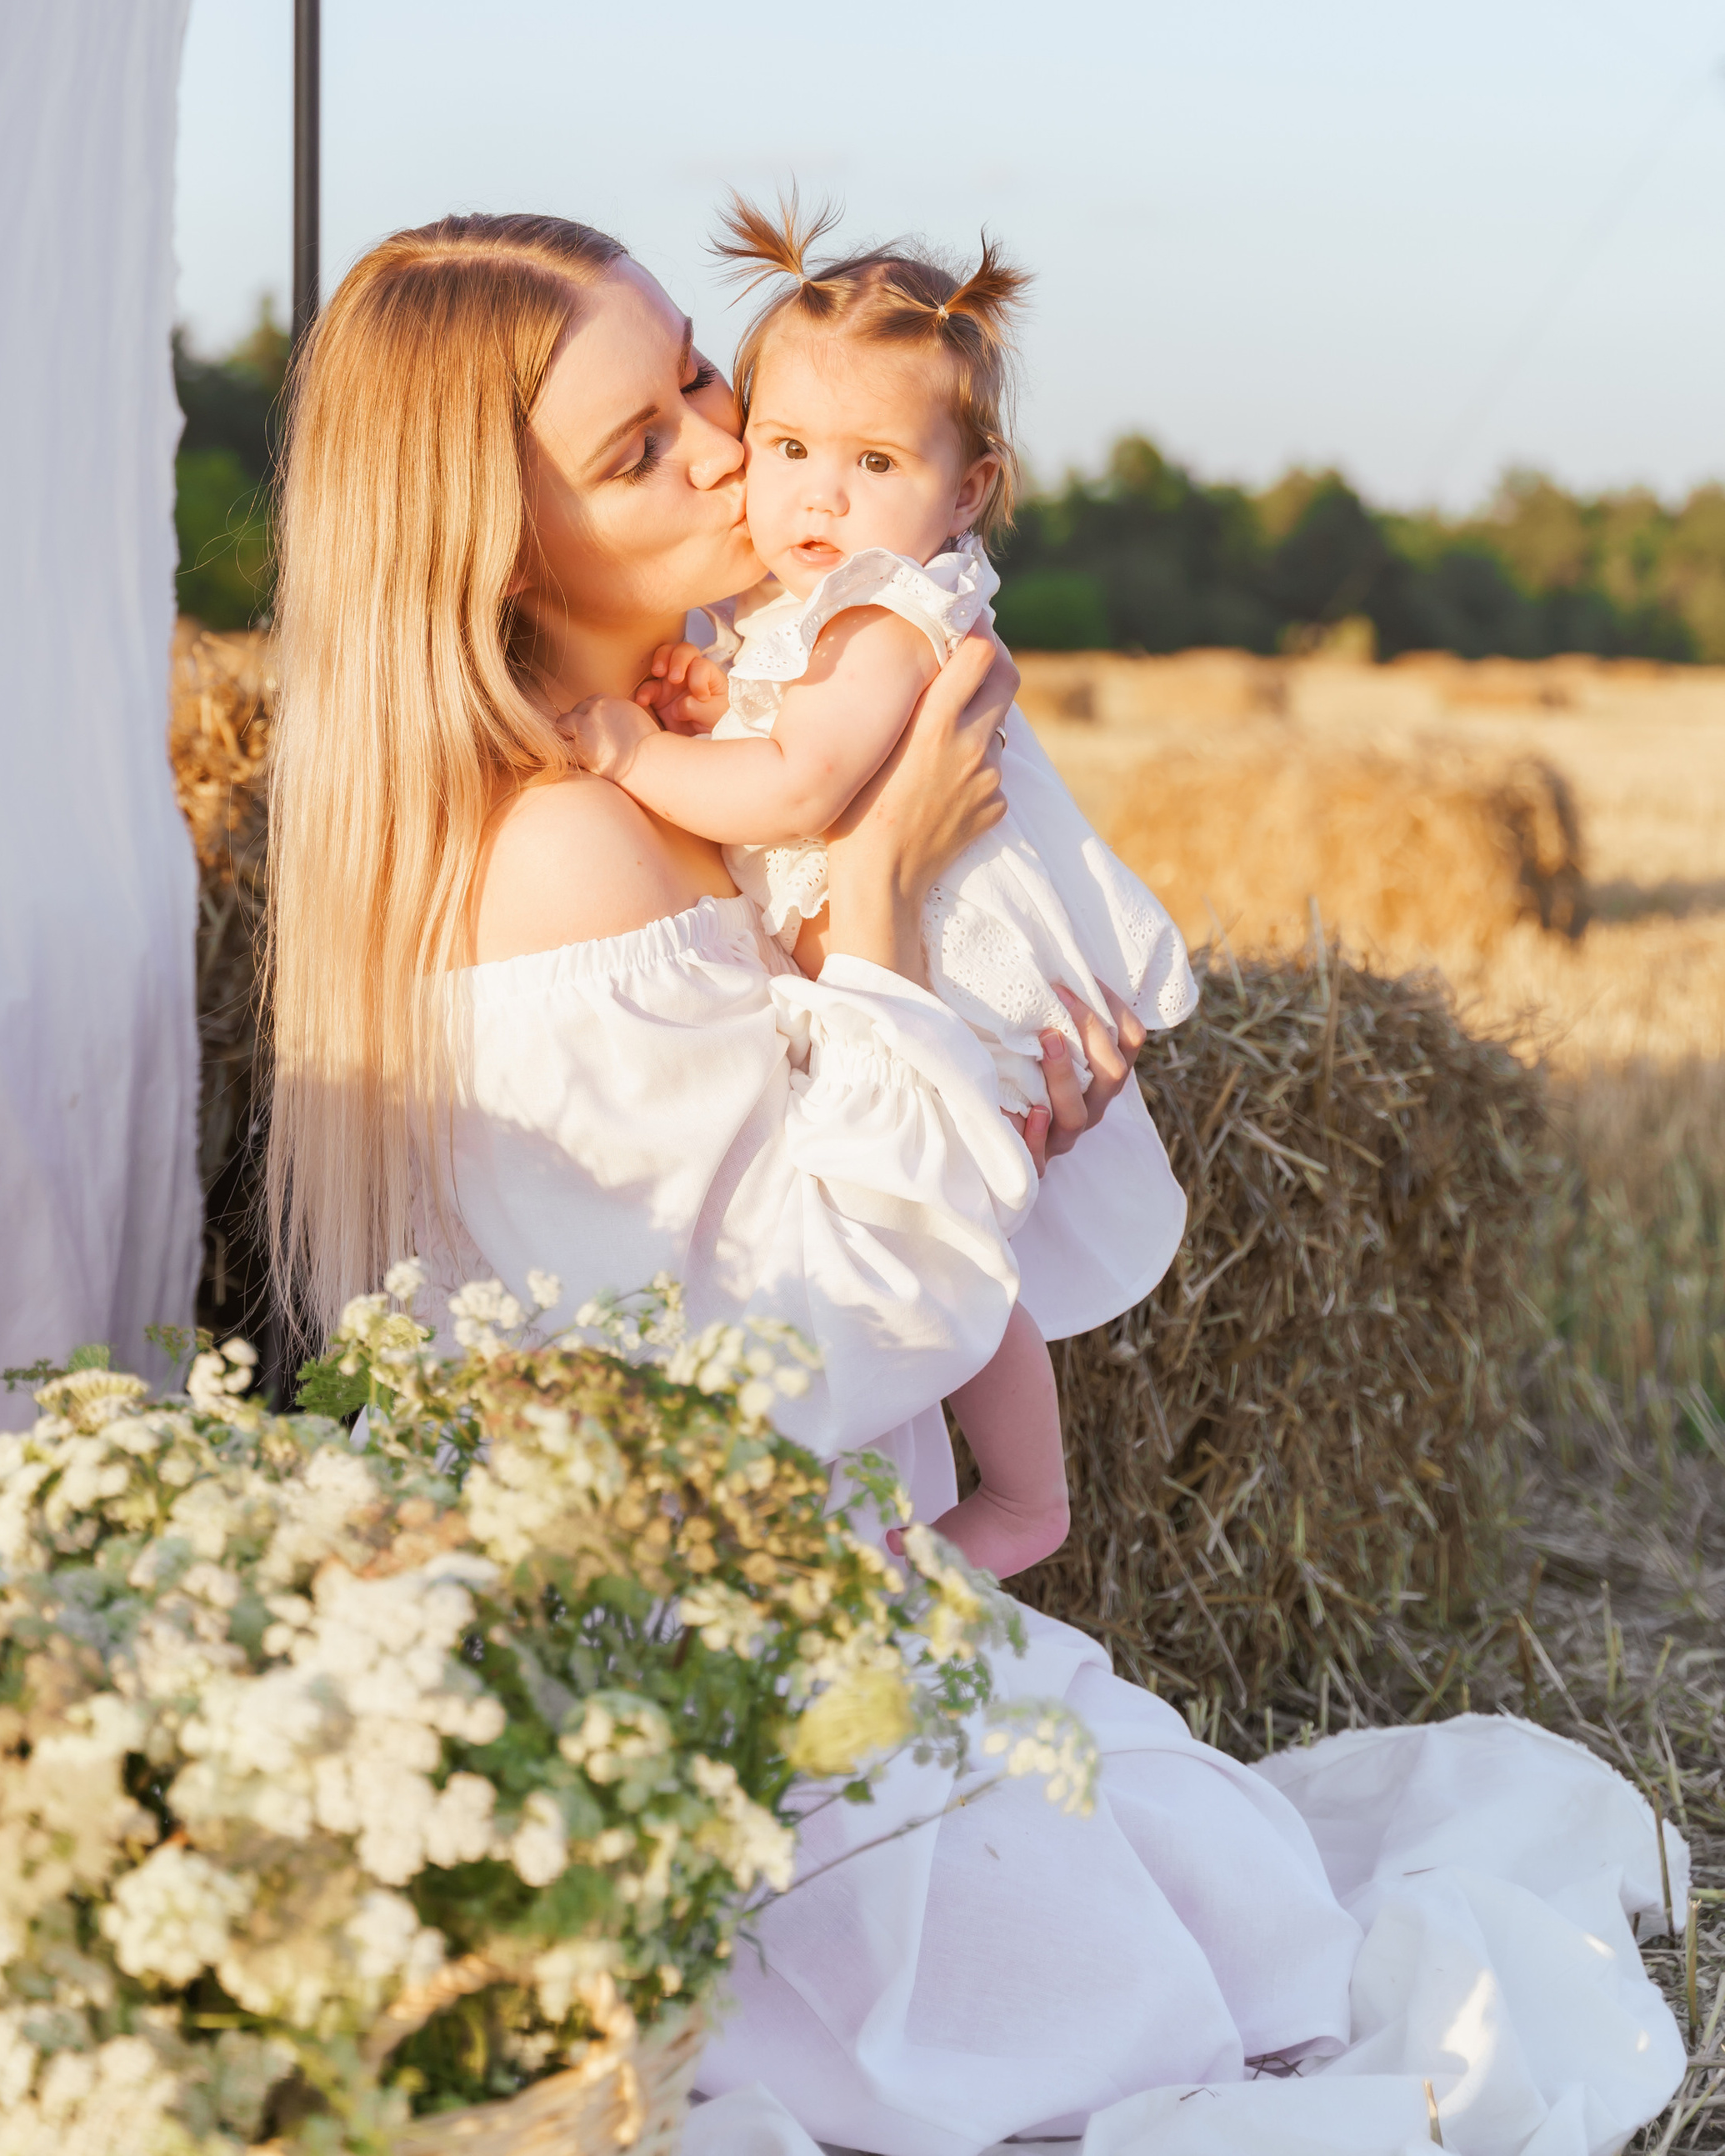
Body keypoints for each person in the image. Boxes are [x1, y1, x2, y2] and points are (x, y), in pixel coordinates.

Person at [266, 211, 1683, 2156]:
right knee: (1226, 1977)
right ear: (492, 544)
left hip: (821, 1594)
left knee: (1226, 1884)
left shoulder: (674, 754)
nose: (724, 436)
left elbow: (771, 1222)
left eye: (693, 369)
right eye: (635, 447)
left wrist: (974, 1097)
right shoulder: (565, 857)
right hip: (751, 1711)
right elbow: (808, 1348)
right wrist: (876, 901)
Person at [555, 193, 1199, 1579]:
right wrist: (712, 695)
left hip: (946, 976)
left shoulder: (897, 610)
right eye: (787, 447)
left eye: (871, 460)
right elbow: (789, 735)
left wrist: (632, 749)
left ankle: (1026, 1500)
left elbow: (796, 790)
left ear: (967, 492)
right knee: (946, 1247)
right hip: (874, 957)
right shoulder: (819, 614)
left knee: (952, 1250)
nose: (813, 493)